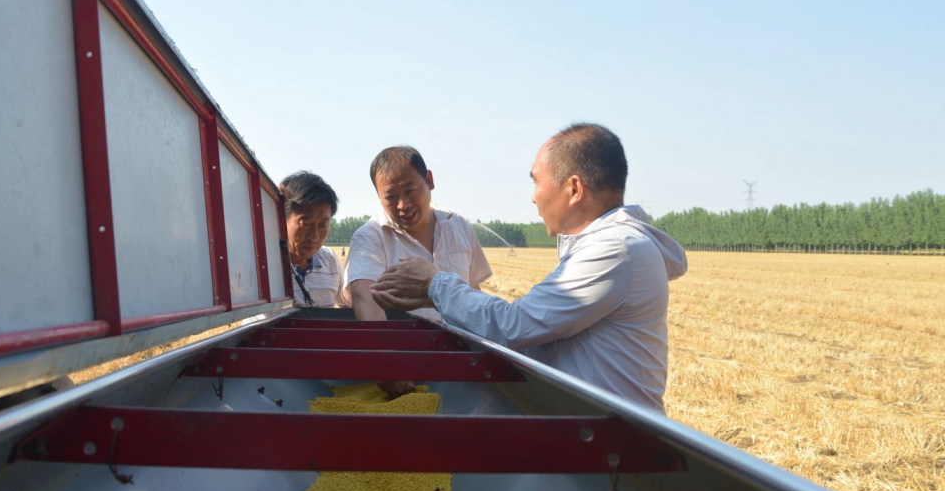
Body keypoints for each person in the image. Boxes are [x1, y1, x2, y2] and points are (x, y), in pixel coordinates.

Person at [370, 123, 688, 412]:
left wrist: (435, 285)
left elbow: (513, 327)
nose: (534, 198)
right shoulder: (612, 246)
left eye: (536, 181)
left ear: (574, 189)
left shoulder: (614, 249)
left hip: (614, 441)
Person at [341, 145, 491, 323]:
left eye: (410, 191)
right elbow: (364, 299)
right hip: (404, 347)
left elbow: (473, 292)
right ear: (378, 197)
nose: (403, 205)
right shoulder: (370, 237)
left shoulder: (458, 227)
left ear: (429, 180)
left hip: (461, 347)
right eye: (391, 197)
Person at [282, 171, 342, 308]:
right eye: (305, 224)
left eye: (323, 225)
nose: (314, 237)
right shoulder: (261, 264)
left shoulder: (330, 260)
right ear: (280, 217)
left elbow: (347, 301)